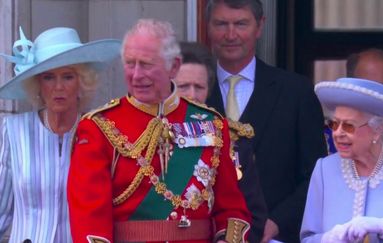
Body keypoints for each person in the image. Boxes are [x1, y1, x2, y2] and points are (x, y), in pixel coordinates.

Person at [67, 19, 251, 243]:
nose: (136, 75)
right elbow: (89, 221)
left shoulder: (211, 124)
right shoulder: (98, 128)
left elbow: (232, 210)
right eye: (129, 63)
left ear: (173, 66)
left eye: (146, 64)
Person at [205, 1, 328, 242]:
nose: (231, 34)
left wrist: (277, 222)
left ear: (260, 26)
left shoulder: (296, 92)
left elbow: (316, 175)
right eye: (221, 24)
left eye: (241, 24)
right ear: (207, 27)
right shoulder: (190, 92)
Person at [0, 27, 120, 243]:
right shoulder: (14, 131)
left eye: (67, 77)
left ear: (82, 82)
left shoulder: (99, 133)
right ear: (37, 84)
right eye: (48, 77)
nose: (58, 87)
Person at [300, 77, 383, 242]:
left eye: (348, 126)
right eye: (334, 124)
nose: (337, 133)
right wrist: (327, 239)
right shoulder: (324, 170)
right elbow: (307, 239)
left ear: (377, 130)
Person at [176, 41, 268, 242]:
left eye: (198, 87)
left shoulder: (231, 142)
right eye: (184, 86)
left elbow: (254, 215)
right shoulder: (149, 138)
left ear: (208, 91)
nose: (192, 95)